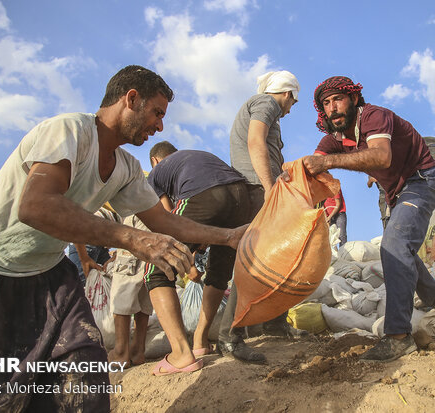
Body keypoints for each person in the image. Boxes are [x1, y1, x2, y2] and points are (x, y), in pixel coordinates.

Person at [0, 65, 246, 412]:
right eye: (157, 113)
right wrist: (135, 240)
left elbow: (165, 221)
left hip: (49, 279)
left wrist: (229, 236)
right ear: (131, 98)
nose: (160, 126)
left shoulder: (127, 168)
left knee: (84, 383)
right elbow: (36, 206)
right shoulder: (69, 131)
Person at [304, 76, 435, 362]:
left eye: (338, 100)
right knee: (399, 245)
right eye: (326, 103)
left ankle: (398, 337)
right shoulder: (332, 139)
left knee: (393, 245)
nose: (332, 108)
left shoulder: (374, 117)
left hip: (421, 180)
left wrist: (329, 162)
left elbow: (381, 157)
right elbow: (312, 167)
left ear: (354, 99)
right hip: (396, 192)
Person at [220, 70, 300, 363]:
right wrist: (269, 187)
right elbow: (256, 142)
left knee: (272, 258)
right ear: (288, 93)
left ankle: (275, 324)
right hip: (256, 187)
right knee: (252, 261)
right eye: (293, 100)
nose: (291, 108)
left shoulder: (263, 107)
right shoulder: (267, 104)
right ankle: (229, 337)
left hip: (258, 186)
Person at [147, 141, 250, 357]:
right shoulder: (192, 156)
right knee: (219, 274)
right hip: (242, 195)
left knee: (156, 269)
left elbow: (167, 221)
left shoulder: (156, 172)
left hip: (205, 192)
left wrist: (189, 260)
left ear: (155, 160)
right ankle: (200, 341)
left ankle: (180, 353)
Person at [107, 214, 154, 367]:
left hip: (138, 220)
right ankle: (137, 349)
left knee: (123, 284)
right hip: (157, 225)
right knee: (144, 284)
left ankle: (121, 352)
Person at [68, 205, 122, 285]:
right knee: (109, 280)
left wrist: (84, 258)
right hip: (102, 235)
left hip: (89, 231)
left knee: (79, 282)